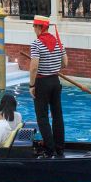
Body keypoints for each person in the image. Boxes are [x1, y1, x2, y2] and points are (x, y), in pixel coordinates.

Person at [29, 15, 67, 158]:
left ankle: (49, 150)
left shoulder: (36, 44)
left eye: (34, 26)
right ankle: (60, 148)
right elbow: (65, 63)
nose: (33, 28)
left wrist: (32, 85)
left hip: (42, 83)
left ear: (40, 27)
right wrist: (54, 67)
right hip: (55, 81)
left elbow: (33, 68)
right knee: (57, 115)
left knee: (42, 117)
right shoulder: (58, 42)